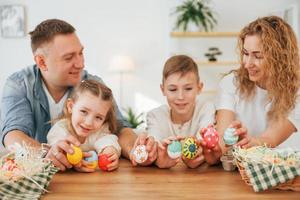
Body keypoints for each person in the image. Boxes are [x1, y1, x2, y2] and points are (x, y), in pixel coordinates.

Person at [0, 19, 157, 170]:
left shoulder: (93, 84)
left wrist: (136, 151)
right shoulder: (19, 84)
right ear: (42, 62)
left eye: (80, 53)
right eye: (69, 57)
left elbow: (120, 128)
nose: (80, 64)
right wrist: (48, 153)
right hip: (36, 176)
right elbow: (13, 135)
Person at [203, 16, 300, 164]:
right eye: (246, 53)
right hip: (241, 173)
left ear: (280, 57)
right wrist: (216, 149)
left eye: (258, 56)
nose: (247, 64)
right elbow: (222, 138)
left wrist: (250, 142)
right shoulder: (231, 83)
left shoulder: (296, 92)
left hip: (283, 174)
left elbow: (269, 139)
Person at [146, 55, 215, 168]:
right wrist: (159, 158)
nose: (181, 96)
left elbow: (204, 142)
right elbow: (154, 147)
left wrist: (198, 151)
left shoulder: (206, 109)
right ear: (163, 90)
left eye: (188, 89)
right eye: (173, 89)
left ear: (199, 88)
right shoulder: (155, 116)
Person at [47, 80, 121, 172]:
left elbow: (107, 140)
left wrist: (109, 150)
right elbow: (56, 147)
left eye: (98, 117)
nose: (89, 123)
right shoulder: (60, 129)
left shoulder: (99, 131)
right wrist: (68, 157)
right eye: (84, 112)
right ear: (70, 107)